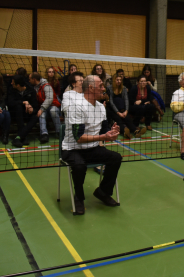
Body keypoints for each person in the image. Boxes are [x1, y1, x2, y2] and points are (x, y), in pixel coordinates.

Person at [61, 75, 123, 215]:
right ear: (90, 88)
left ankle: (103, 192)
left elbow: (104, 129)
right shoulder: (77, 107)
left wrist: (111, 132)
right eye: (100, 85)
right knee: (79, 166)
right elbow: (78, 138)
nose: (104, 88)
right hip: (72, 149)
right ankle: (79, 198)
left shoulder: (101, 107)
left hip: (92, 148)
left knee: (115, 158)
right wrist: (103, 137)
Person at [107, 74, 146, 139]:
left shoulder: (123, 88)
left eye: (120, 80)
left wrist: (126, 111)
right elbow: (111, 102)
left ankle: (135, 131)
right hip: (113, 110)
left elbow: (126, 100)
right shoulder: (109, 88)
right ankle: (125, 131)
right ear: (114, 80)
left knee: (127, 119)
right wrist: (118, 113)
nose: (119, 81)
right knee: (119, 120)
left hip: (122, 109)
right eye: (117, 80)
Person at [29, 72, 61, 144]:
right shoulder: (33, 88)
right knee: (41, 114)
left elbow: (49, 99)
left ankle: (59, 131)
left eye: (30, 79)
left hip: (53, 105)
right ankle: (44, 134)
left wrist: (41, 109)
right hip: (43, 107)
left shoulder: (46, 86)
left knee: (53, 111)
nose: (29, 80)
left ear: (34, 79)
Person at [7, 75, 39, 148]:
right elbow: (10, 103)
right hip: (15, 114)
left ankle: (19, 137)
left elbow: (35, 107)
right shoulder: (11, 90)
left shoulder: (31, 90)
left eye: (13, 82)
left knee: (36, 116)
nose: (11, 83)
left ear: (18, 85)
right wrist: (23, 102)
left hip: (27, 114)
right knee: (18, 107)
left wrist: (32, 109)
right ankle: (23, 137)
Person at [0, 73, 11, 145]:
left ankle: (5, 135)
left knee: (7, 114)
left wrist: (0, 107)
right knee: (0, 116)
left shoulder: (1, 89)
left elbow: (3, 101)